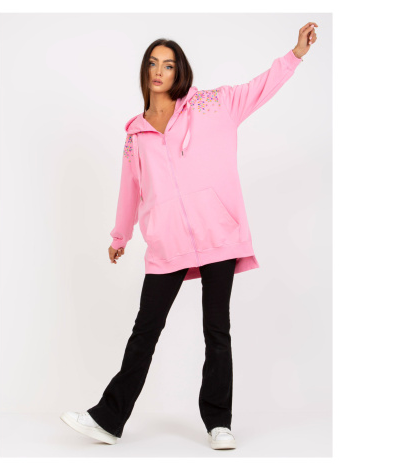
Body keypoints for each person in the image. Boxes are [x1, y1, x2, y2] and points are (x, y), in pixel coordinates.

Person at [61, 23, 318, 449]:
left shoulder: (213, 105)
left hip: (219, 233)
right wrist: (120, 237)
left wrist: (295, 54)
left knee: (217, 329)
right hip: (167, 243)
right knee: (145, 331)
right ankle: (107, 420)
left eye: (168, 65)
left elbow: (260, 87)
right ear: (145, 71)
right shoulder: (135, 133)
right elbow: (130, 189)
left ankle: (219, 424)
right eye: (153, 63)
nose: (159, 71)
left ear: (179, 71)